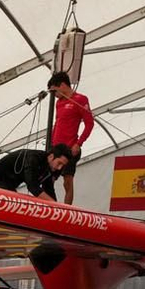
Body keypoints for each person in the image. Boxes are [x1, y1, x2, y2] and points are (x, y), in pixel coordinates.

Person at [47, 72, 94, 205]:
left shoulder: (80, 99)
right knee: (48, 177)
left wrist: (78, 144)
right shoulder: (59, 103)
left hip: (69, 147)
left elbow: (89, 124)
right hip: (55, 146)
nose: (54, 96)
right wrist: (50, 142)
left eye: (54, 91)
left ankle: (67, 209)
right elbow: (57, 123)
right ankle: (50, 205)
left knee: (67, 181)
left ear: (62, 85)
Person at [0, 147, 72, 201]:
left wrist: (58, 208)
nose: (59, 168)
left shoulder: (49, 168)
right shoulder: (33, 158)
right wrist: (55, 205)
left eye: (63, 166)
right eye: (59, 163)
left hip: (8, 186)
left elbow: (49, 190)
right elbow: (33, 187)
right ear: (51, 156)